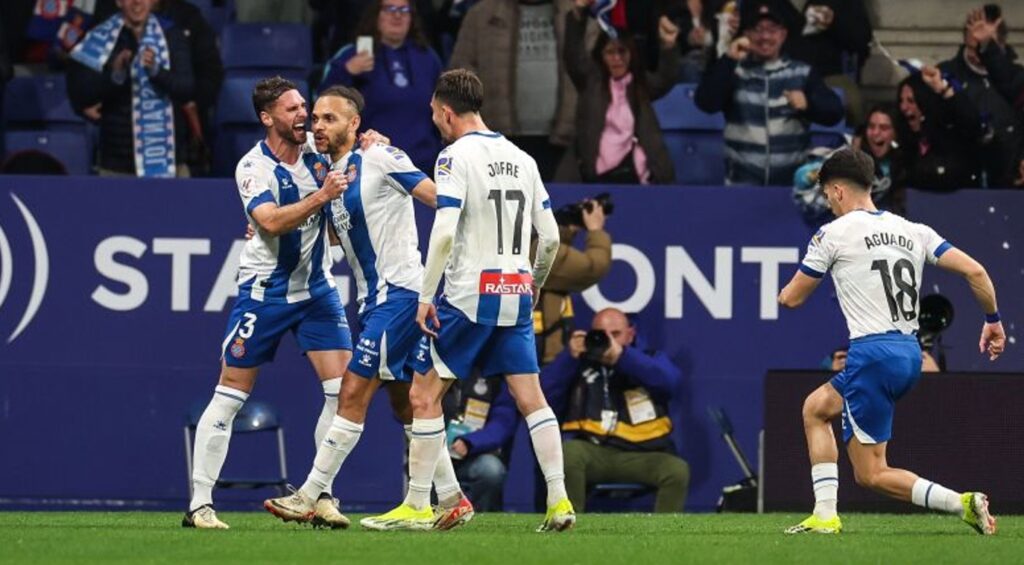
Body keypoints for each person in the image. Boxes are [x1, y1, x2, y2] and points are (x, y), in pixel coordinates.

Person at [359, 69, 572, 532]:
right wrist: (534, 283)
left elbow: (444, 231)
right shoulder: (523, 158)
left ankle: (418, 504)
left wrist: (424, 295)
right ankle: (558, 501)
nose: (435, 122)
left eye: (435, 114)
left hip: (469, 293)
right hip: (514, 291)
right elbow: (550, 238)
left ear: (448, 112)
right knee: (531, 399)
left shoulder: (453, 157)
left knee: (422, 393)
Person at [261, 85, 474, 530]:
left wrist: (475, 217)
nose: (318, 126)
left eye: (330, 119)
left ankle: (308, 494)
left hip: (398, 295)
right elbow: (343, 236)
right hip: (379, 300)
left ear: (355, 124)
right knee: (406, 407)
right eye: (315, 119)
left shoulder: (380, 158)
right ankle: (453, 498)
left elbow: (440, 198)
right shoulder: (335, 177)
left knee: (351, 393)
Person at [777, 147, 1005, 535]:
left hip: (871, 354)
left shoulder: (831, 234)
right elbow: (977, 272)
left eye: (826, 196)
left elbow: (793, 299)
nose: (828, 203)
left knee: (871, 474)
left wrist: (783, 293)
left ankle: (962, 502)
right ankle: (825, 514)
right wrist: (993, 321)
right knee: (816, 408)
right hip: (909, 354)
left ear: (835, 191)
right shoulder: (913, 230)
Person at [181, 76, 352, 530]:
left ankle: (320, 494)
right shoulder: (252, 167)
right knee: (230, 394)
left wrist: (371, 138)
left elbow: (355, 147)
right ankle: (200, 504)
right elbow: (270, 222)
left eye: (306, 108)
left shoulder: (319, 158)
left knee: (343, 394)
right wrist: (322, 197)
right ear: (267, 118)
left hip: (317, 291)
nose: (305, 117)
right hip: (266, 293)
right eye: (294, 110)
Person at [541, 308, 689, 513]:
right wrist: (569, 357)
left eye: (616, 334)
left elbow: (670, 382)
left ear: (631, 333)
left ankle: (663, 538)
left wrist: (623, 357)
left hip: (642, 454)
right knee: (569, 454)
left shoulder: (649, 358)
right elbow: (542, 398)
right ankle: (567, 525)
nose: (609, 341)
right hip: (594, 452)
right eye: (602, 334)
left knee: (676, 470)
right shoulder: (578, 363)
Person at [694, 0, 843, 186]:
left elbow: (835, 112)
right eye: (757, 29)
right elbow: (706, 103)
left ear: (783, 34)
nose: (765, 37)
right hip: (741, 186)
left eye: (772, 29)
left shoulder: (802, 72)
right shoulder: (733, 70)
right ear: (746, 34)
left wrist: (808, 105)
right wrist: (729, 59)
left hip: (791, 187)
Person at [448, 0, 594, 181]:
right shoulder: (481, 15)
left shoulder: (578, 14)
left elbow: (595, 82)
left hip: (566, 148)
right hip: (497, 145)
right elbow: (459, 81)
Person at [66, 0, 195, 177]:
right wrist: (115, 76)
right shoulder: (99, 36)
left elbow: (186, 88)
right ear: (118, 2)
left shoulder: (171, 34)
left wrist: (157, 72)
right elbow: (80, 91)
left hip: (168, 162)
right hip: (116, 163)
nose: (137, 3)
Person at [318, 0, 444, 175]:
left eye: (403, 10)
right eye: (389, 9)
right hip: (370, 166)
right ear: (376, 15)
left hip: (424, 167)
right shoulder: (352, 55)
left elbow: (444, 108)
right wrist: (347, 71)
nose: (397, 15)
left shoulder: (428, 58)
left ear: (412, 18)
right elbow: (322, 104)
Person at [563, 1, 679, 184]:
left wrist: (668, 46)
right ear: (600, 56)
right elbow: (573, 55)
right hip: (593, 179)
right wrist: (578, 13)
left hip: (635, 179)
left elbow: (666, 77)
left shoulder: (640, 84)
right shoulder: (591, 81)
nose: (617, 58)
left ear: (631, 54)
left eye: (622, 52)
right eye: (610, 52)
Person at [939, 5, 1023, 188]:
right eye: (974, 46)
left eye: (985, 45)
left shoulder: (1015, 78)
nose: (978, 53)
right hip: (960, 179)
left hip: (1009, 178)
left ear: (1001, 43)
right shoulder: (944, 76)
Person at [535, 198, 611, 364]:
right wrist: (596, 230)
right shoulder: (538, 251)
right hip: (533, 365)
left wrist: (566, 229)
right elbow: (592, 268)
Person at [896, 67, 983, 191]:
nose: (904, 107)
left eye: (911, 101)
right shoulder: (906, 143)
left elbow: (973, 123)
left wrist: (943, 89)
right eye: (901, 101)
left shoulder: (950, 133)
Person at [445, 376, 518, 511]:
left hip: (475, 454)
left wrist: (470, 442)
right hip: (435, 453)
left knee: (491, 470)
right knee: (424, 466)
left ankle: (480, 518)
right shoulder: (434, 368)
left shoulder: (494, 373)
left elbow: (503, 421)